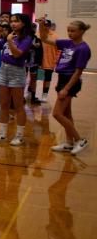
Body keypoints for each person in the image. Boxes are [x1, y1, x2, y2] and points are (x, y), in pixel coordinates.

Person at [43, 21, 91, 155]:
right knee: (66, 114)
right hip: (62, 78)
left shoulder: (83, 48)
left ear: (81, 31)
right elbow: (44, 39)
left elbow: (78, 72)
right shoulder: (67, 43)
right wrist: (42, 26)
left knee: (57, 113)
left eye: (73, 31)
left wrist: (66, 89)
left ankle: (80, 140)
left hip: (71, 81)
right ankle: (69, 143)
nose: (70, 33)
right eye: (68, 31)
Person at [0, 14, 36, 146]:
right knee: (3, 104)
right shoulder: (8, 35)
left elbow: (17, 54)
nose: (13, 24)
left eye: (16, 21)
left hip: (17, 71)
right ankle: (2, 133)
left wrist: (10, 41)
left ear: (24, 23)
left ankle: (19, 135)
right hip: (4, 69)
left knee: (18, 105)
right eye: (12, 21)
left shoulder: (27, 38)